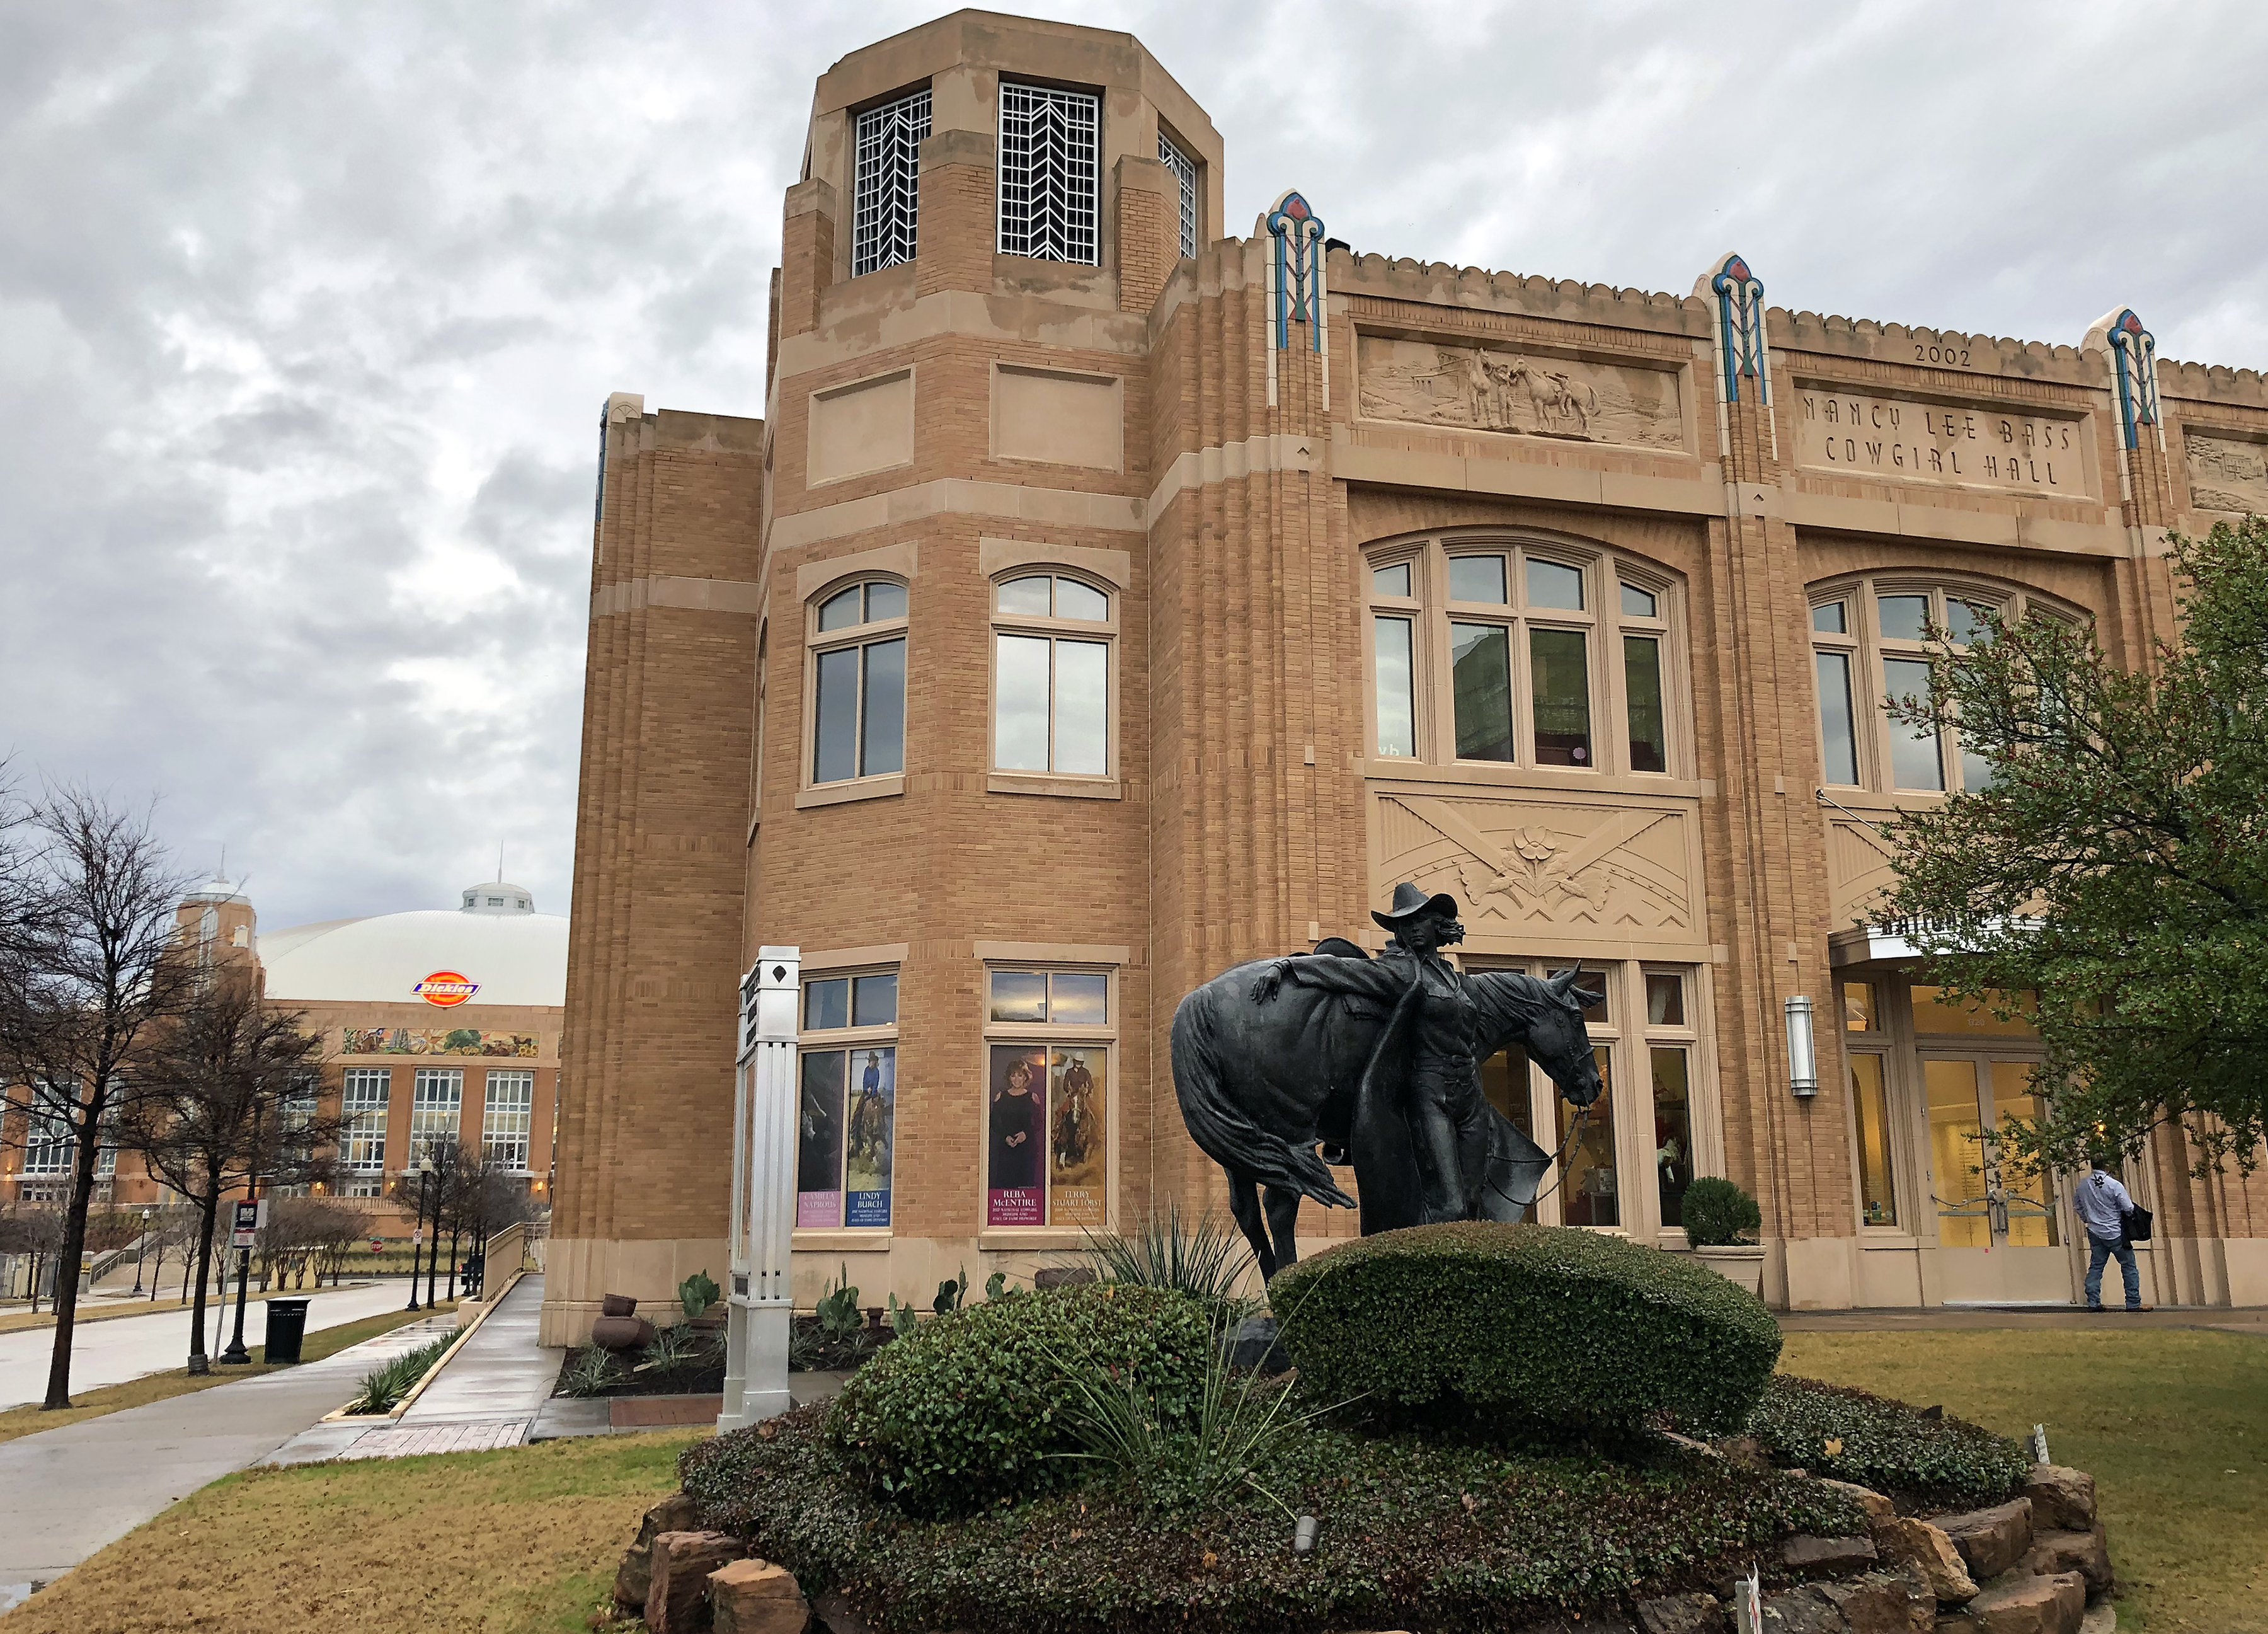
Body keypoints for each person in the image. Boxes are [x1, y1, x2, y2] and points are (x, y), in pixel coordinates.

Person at [2073, 1155, 2145, 1312]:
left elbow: (2078, 1206)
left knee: (2096, 1266)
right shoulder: (2114, 1185)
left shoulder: (2083, 1185)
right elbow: (2128, 1208)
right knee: (2128, 1266)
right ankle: (2133, 1303)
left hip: (2094, 1231)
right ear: (2107, 1165)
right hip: (2115, 1232)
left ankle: (2093, 1302)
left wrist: (2088, 1219)